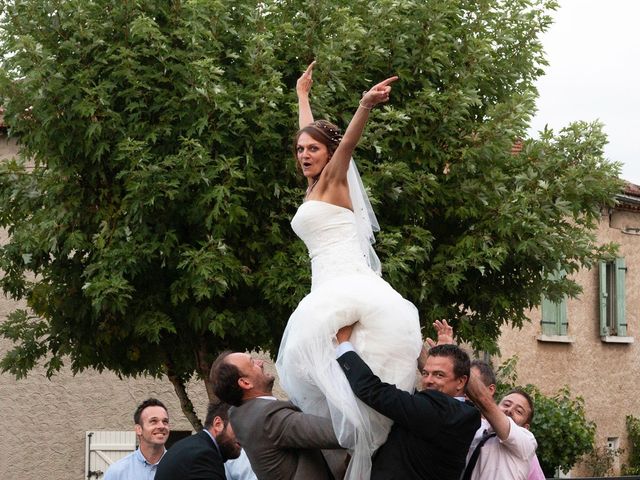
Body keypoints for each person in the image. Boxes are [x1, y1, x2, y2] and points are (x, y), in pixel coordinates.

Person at [276, 61, 423, 478]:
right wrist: (302, 95)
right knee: (325, 381)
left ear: (328, 155)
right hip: (325, 284)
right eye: (300, 150)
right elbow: (313, 134)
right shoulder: (312, 187)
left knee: (348, 378)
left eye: (312, 150)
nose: (304, 154)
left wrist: (364, 107)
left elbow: (345, 146)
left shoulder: (333, 179)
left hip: (347, 284)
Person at [335, 326, 480, 480]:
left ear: (461, 381)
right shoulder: (466, 415)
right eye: (425, 373)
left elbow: (372, 390)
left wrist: (344, 345)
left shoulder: (440, 411)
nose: (428, 380)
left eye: (439, 375)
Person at [210, 350, 347, 480]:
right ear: (246, 383)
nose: (260, 362)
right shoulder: (269, 418)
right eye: (252, 363)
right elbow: (341, 434)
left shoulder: (237, 413)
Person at [469, 360, 545, 480]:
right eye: (506, 404)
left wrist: (456, 364)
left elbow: (484, 401)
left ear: (525, 427)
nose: (509, 410)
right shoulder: (480, 430)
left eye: (519, 411)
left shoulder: (527, 441)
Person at [155, 401, 240, 480]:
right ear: (218, 424)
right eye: (239, 426)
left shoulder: (190, 446)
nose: (244, 433)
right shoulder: (204, 456)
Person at [103, 398, 169, 480]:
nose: (161, 426)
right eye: (154, 421)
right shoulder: (117, 472)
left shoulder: (181, 468)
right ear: (139, 429)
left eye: (165, 421)